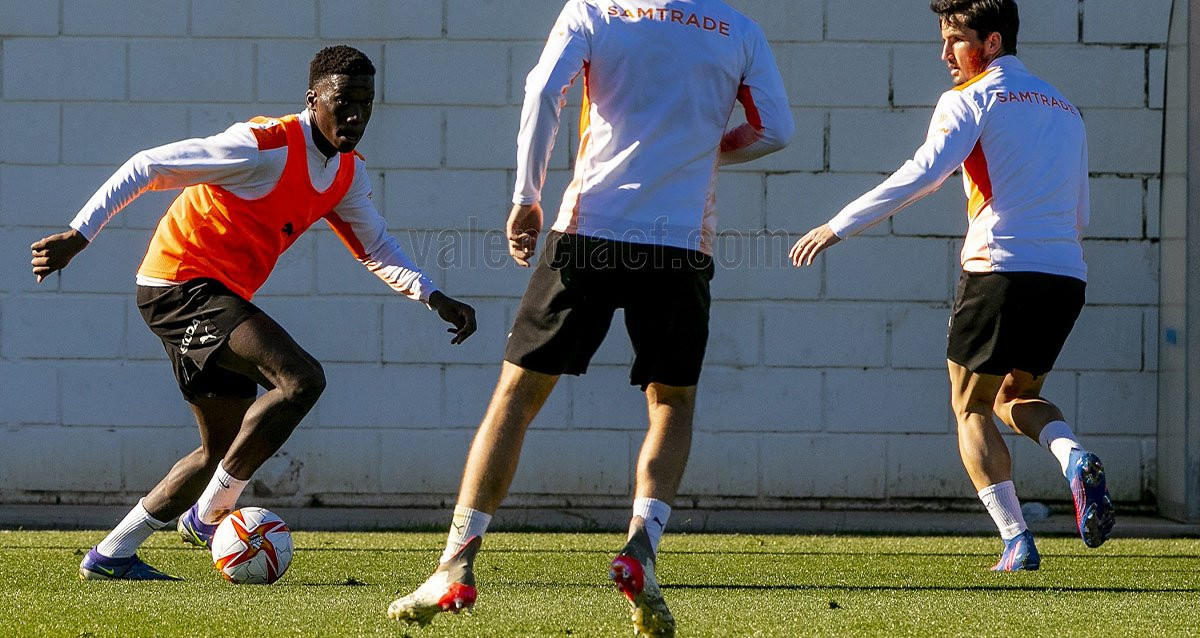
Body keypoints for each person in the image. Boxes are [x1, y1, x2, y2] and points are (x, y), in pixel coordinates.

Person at [388, 1, 793, 635]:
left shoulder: (596, 11)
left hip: (589, 231)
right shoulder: (738, 28)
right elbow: (775, 131)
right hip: (681, 244)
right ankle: (642, 549)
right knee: (671, 404)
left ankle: (457, 564)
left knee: (516, 399)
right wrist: (700, 147)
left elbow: (542, 90)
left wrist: (526, 195)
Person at [30, 45, 477, 581]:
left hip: (214, 294)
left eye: (367, 104)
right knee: (301, 380)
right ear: (314, 100)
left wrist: (433, 295)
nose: (356, 116)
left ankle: (112, 553)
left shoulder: (347, 174)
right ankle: (208, 515)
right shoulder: (262, 144)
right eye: (344, 101)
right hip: (178, 283)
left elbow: (375, 247)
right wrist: (80, 234)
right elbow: (148, 165)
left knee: (218, 451)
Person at [789, 0, 1114, 571]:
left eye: (956, 39)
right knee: (1016, 397)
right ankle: (1073, 457)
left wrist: (836, 225)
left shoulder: (971, 97)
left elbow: (924, 172)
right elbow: (1081, 209)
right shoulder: (1066, 107)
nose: (945, 54)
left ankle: (1016, 539)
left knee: (970, 408)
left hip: (999, 268)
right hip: (1065, 275)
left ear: (991, 43)